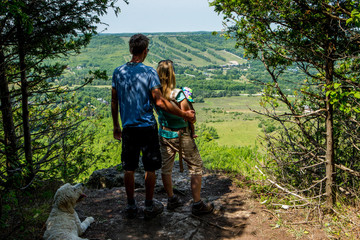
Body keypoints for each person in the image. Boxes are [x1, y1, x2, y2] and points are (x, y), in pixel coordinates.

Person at [111, 34, 195, 219]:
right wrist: (183, 114)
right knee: (150, 167)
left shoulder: (118, 72)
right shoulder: (149, 73)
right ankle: (149, 206)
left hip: (128, 127)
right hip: (147, 127)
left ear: (131, 50)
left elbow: (114, 100)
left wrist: (116, 125)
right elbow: (159, 102)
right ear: (145, 51)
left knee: (129, 167)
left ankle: (131, 205)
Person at [156, 59, 214, 215]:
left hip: (163, 133)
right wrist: (192, 117)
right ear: (172, 74)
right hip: (181, 135)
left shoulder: (156, 94)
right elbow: (190, 117)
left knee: (166, 168)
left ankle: (171, 199)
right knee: (196, 166)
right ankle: (197, 204)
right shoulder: (179, 94)